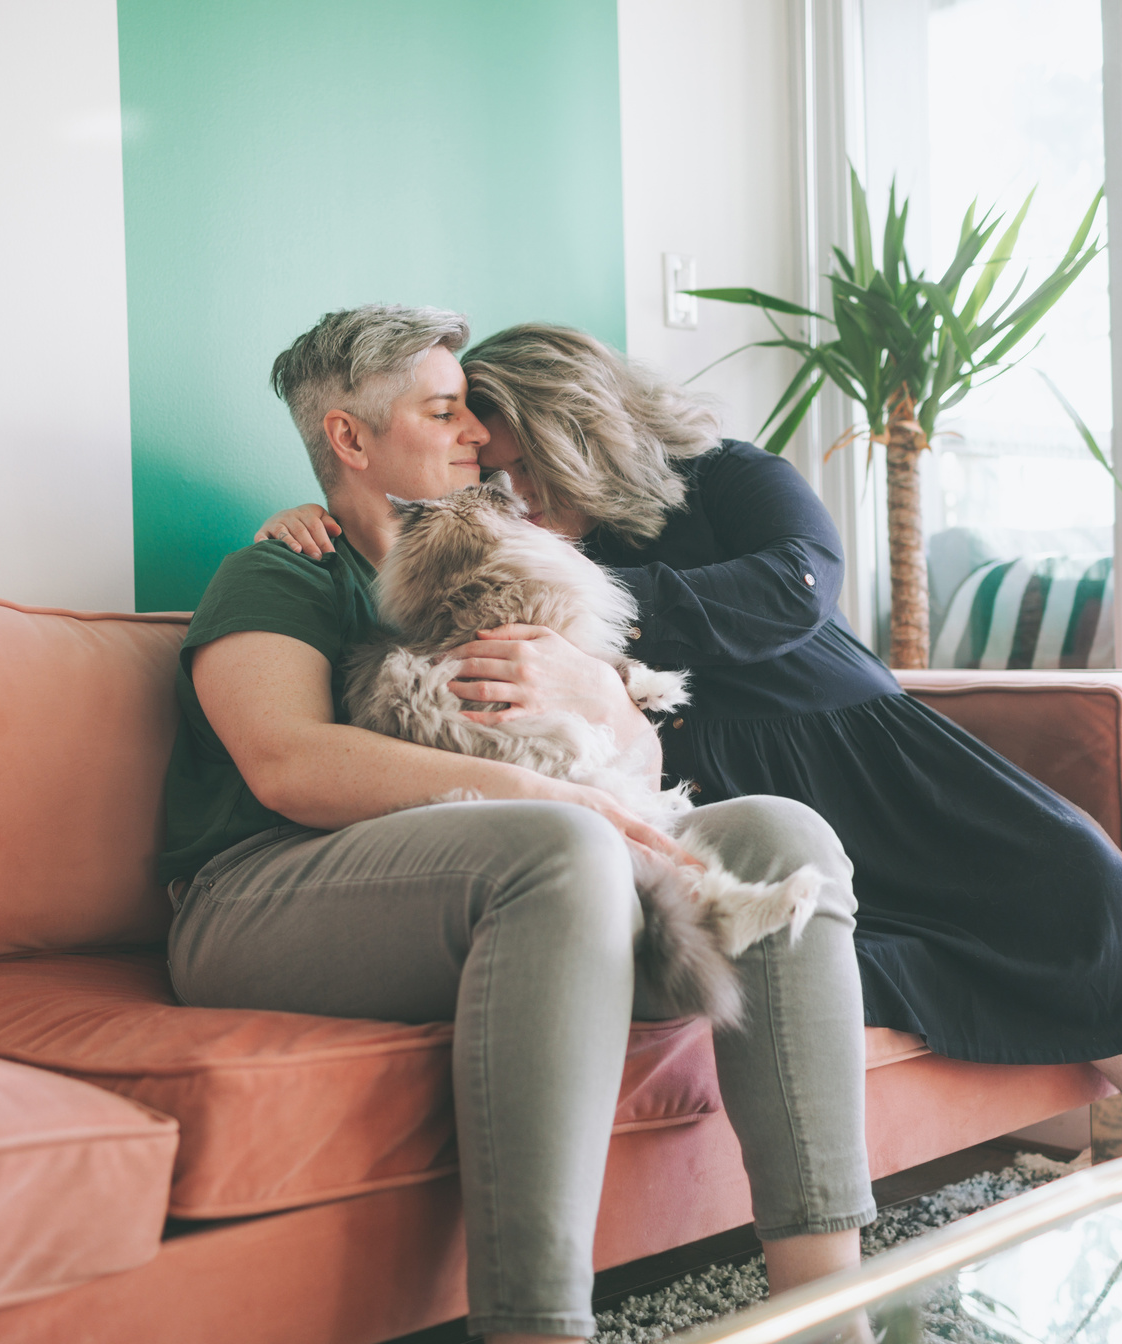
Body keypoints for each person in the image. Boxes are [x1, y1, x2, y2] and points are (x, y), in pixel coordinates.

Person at [256, 322, 1122, 1150]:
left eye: (521, 466)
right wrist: (320, 517)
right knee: (810, 946)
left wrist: (597, 612)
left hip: (860, 748)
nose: (513, 494)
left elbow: (798, 587)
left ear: (577, 431)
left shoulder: (725, 478)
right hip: (701, 785)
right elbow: (413, 560)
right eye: (492, 471)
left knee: (1085, 883)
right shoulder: (519, 535)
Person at [168, 305, 875, 1344]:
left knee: (785, 837)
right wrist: (561, 802)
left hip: (496, 876)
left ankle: (824, 1314)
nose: (478, 438)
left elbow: (624, 762)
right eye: (446, 412)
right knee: (563, 846)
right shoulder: (281, 573)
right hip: (260, 898)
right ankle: (539, 1328)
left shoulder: (514, 575)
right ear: (350, 441)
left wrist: (605, 719)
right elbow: (290, 765)